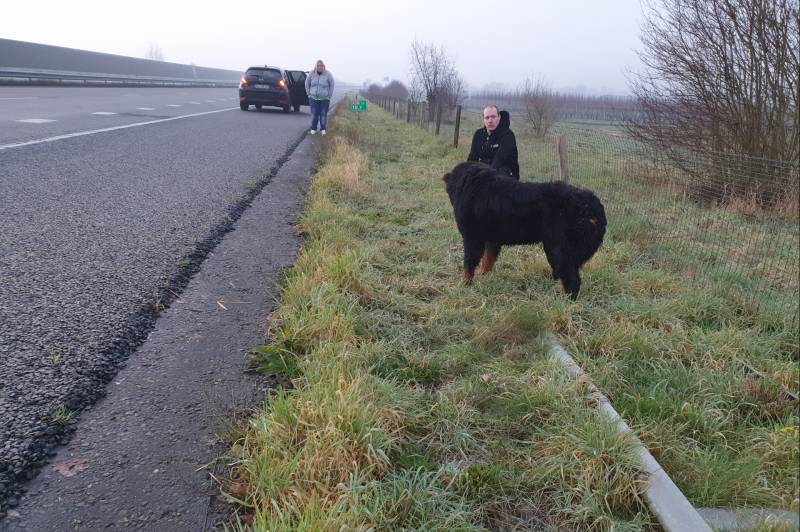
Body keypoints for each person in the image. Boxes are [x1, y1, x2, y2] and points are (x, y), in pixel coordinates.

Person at [467, 105, 519, 179]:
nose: (490, 121)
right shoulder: (478, 134)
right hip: (485, 171)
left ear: (499, 117)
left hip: (506, 174)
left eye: (493, 117)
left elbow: (498, 161)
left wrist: (482, 177)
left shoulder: (508, 135)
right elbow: (472, 158)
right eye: (487, 117)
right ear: (483, 119)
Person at [304, 60, 335, 135]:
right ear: (316, 66)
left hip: (324, 99)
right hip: (313, 98)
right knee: (314, 113)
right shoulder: (312, 74)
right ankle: (313, 128)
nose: (320, 67)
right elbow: (307, 83)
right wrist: (309, 94)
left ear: (324, 66)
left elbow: (332, 85)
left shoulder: (328, 74)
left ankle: (323, 129)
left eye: (321, 66)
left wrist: (329, 96)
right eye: (318, 66)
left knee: (323, 114)